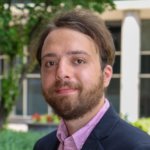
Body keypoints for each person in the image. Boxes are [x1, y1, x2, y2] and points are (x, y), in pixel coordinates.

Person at [33, 9, 150, 150]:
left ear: (105, 75)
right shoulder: (43, 146)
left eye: (78, 60)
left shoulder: (139, 147)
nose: (61, 73)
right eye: (50, 63)